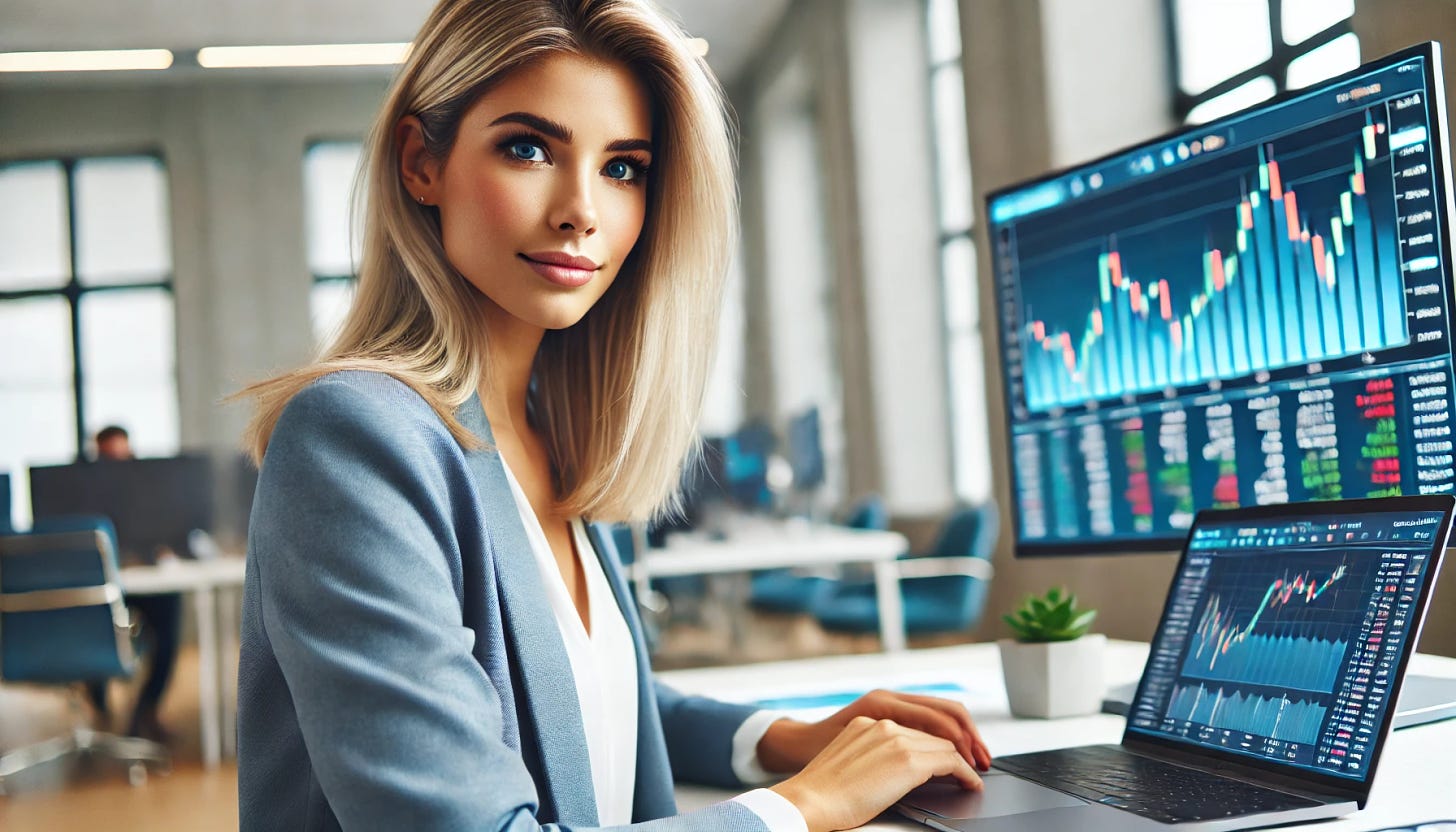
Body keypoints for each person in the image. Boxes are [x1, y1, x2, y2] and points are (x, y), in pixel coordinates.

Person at [234, 1, 991, 830]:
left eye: (623, 167)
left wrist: (787, 738)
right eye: (528, 149)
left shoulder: (550, 437)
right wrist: (799, 809)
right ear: (422, 163)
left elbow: (574, 701)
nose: (581, 210)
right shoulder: (354, 437)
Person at [88, 425, 182, 744]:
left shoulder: (146, 488)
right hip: (96, 586)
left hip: (141, 580)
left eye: (123, 457)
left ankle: (146, 709)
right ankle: (98, 702)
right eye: (109, 459)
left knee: (170, 607)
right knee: (90, 617)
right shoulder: (79, 489)